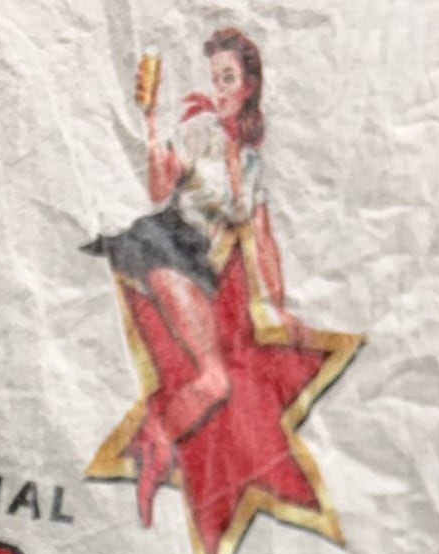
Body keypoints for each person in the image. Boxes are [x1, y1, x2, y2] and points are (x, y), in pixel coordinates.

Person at [83, 29, 314, 527]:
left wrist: (278, 307)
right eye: (216, 78)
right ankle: (151, 455)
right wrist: (150, 123)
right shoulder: (199, 132)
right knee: (211, 380)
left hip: (197, 264)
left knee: (216, 384)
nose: (220, 88)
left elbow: (262, 238)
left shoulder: (250, 163)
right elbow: (159, 188)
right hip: (166, 243)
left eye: (229, 78)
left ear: (249, 86)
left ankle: (152, 449)